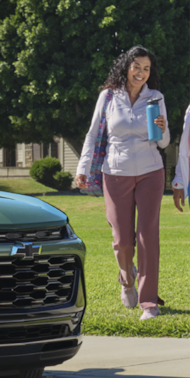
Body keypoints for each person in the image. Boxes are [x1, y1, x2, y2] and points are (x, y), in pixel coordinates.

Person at [74, 46, 174, 320]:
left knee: (147, 236)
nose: (141, 73)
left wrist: (162, 128)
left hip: (151, 171)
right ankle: (126, 280)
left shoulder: (155, 97)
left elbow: (163, 142)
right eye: (137, 67)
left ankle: (149, 302)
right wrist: (82, 168)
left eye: (147, 69)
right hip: (115, 173)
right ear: (126, 67)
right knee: (122, 241)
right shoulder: (108, 96)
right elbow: (93, 135)